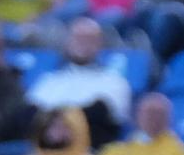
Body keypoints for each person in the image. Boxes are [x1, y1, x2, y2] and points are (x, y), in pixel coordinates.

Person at [27, 16, 131, 146]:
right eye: (78, 38)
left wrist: (54, 117)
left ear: (100, 44)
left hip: (91, 150)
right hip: (43, 152)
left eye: (89, 39)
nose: (83, 44)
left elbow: (100, 113)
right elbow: (30, 112)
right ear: (68, 43)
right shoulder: (50, 80)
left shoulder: (114, 82)